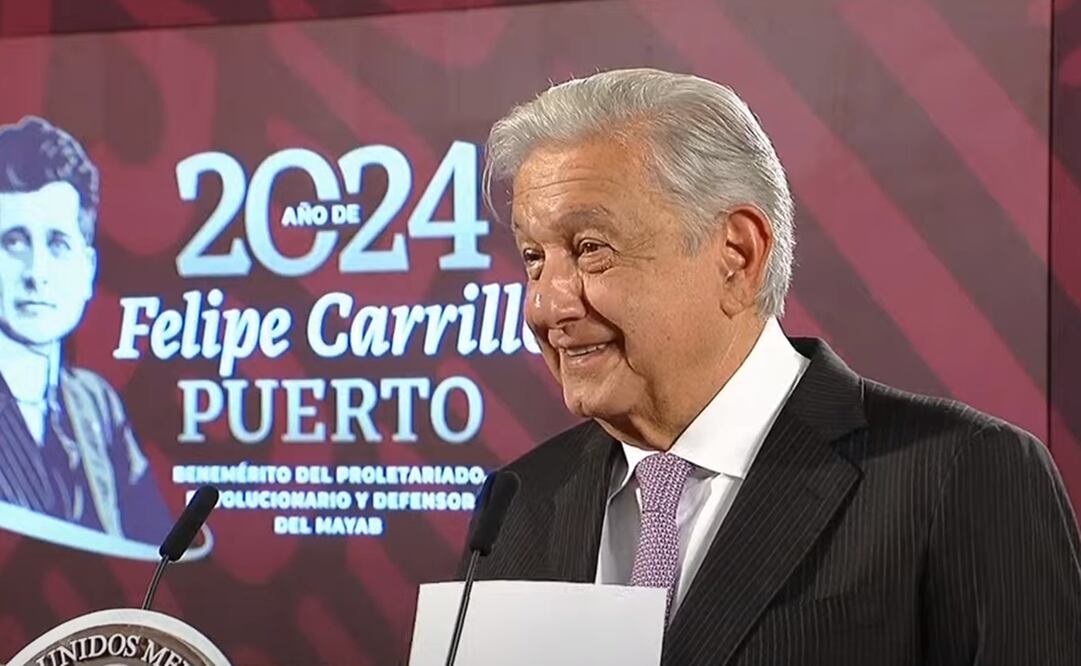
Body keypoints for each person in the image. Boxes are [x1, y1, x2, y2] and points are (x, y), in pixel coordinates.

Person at [462, 69, 1081, 664]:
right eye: (534, 258)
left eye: (591, 249)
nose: (546, 303)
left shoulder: (962, 474)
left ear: (737, 254)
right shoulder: (518, 505)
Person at [0, 116, 171, 547]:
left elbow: (152, 549)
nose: (36, 274)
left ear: (87, 270)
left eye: (58, 244)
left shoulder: (95, 404)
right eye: (14, 242)